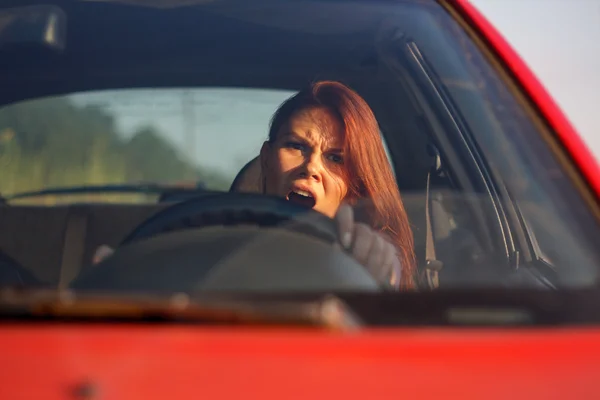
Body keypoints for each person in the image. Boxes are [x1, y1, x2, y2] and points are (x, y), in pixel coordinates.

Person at [94, 81, 416, 290]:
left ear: (354, 185)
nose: (311, 167)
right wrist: (121, 278)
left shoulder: (369, 261)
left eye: (335, 158)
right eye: (296, 146)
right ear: (266, 158)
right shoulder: (200, 252)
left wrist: (378, 281)